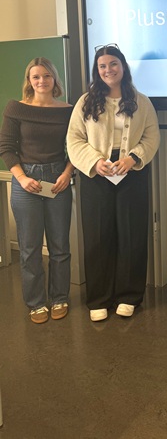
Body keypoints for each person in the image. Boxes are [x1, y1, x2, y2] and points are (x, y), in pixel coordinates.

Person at [67, 44, 160, 322]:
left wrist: (133, 158)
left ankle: (129, 296)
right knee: (98, 236)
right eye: (102, 66)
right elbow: (74, 139)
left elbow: (152, 136)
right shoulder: (86, 102)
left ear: (123, 66)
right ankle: (98, 298)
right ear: (97, 70)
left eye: (113, 64)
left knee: (132, 235)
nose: (108, 70)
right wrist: (95, 162)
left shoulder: (141, 101)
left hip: (132, 172)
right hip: (97, 174)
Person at [0, 58, 74, 324]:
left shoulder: (68, 111)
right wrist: (21, 178)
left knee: (60, 246)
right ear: (29, 81)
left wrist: (67, 173)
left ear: (54, 79)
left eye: (46, 76)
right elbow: (6, 147)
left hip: (58, 180)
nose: (42, 81)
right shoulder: (16, 108)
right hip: (26, 181)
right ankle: (36, 303)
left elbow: (76, 146)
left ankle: (60, 298)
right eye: (36, 77)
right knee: (30, 248)